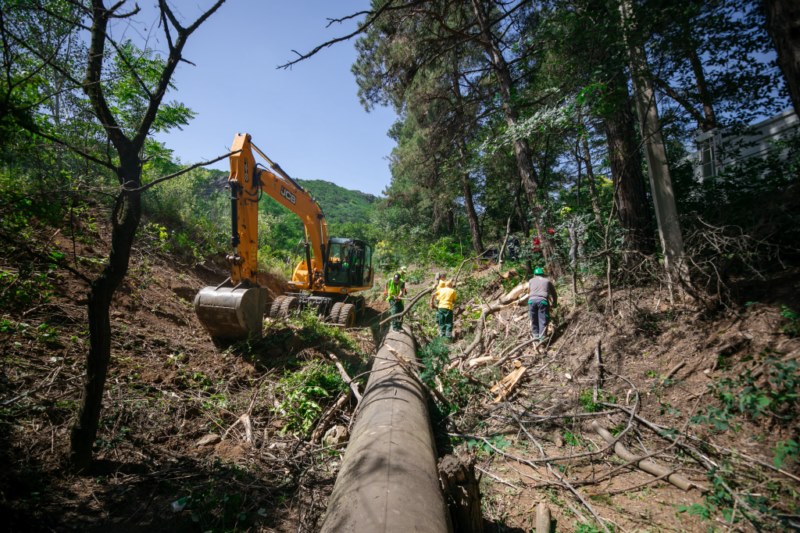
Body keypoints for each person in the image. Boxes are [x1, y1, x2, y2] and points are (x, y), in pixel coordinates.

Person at [528, 267, 557, 341]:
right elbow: (554, 293)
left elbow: (530, 291)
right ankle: (542, 339)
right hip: (542, 301)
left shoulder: (531, 280)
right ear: (542, 274)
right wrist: (554, 303)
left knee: (533, 319)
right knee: (542, 319)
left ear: (534, 274)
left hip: (531, 301)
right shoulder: (547, 281)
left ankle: (535, 337)